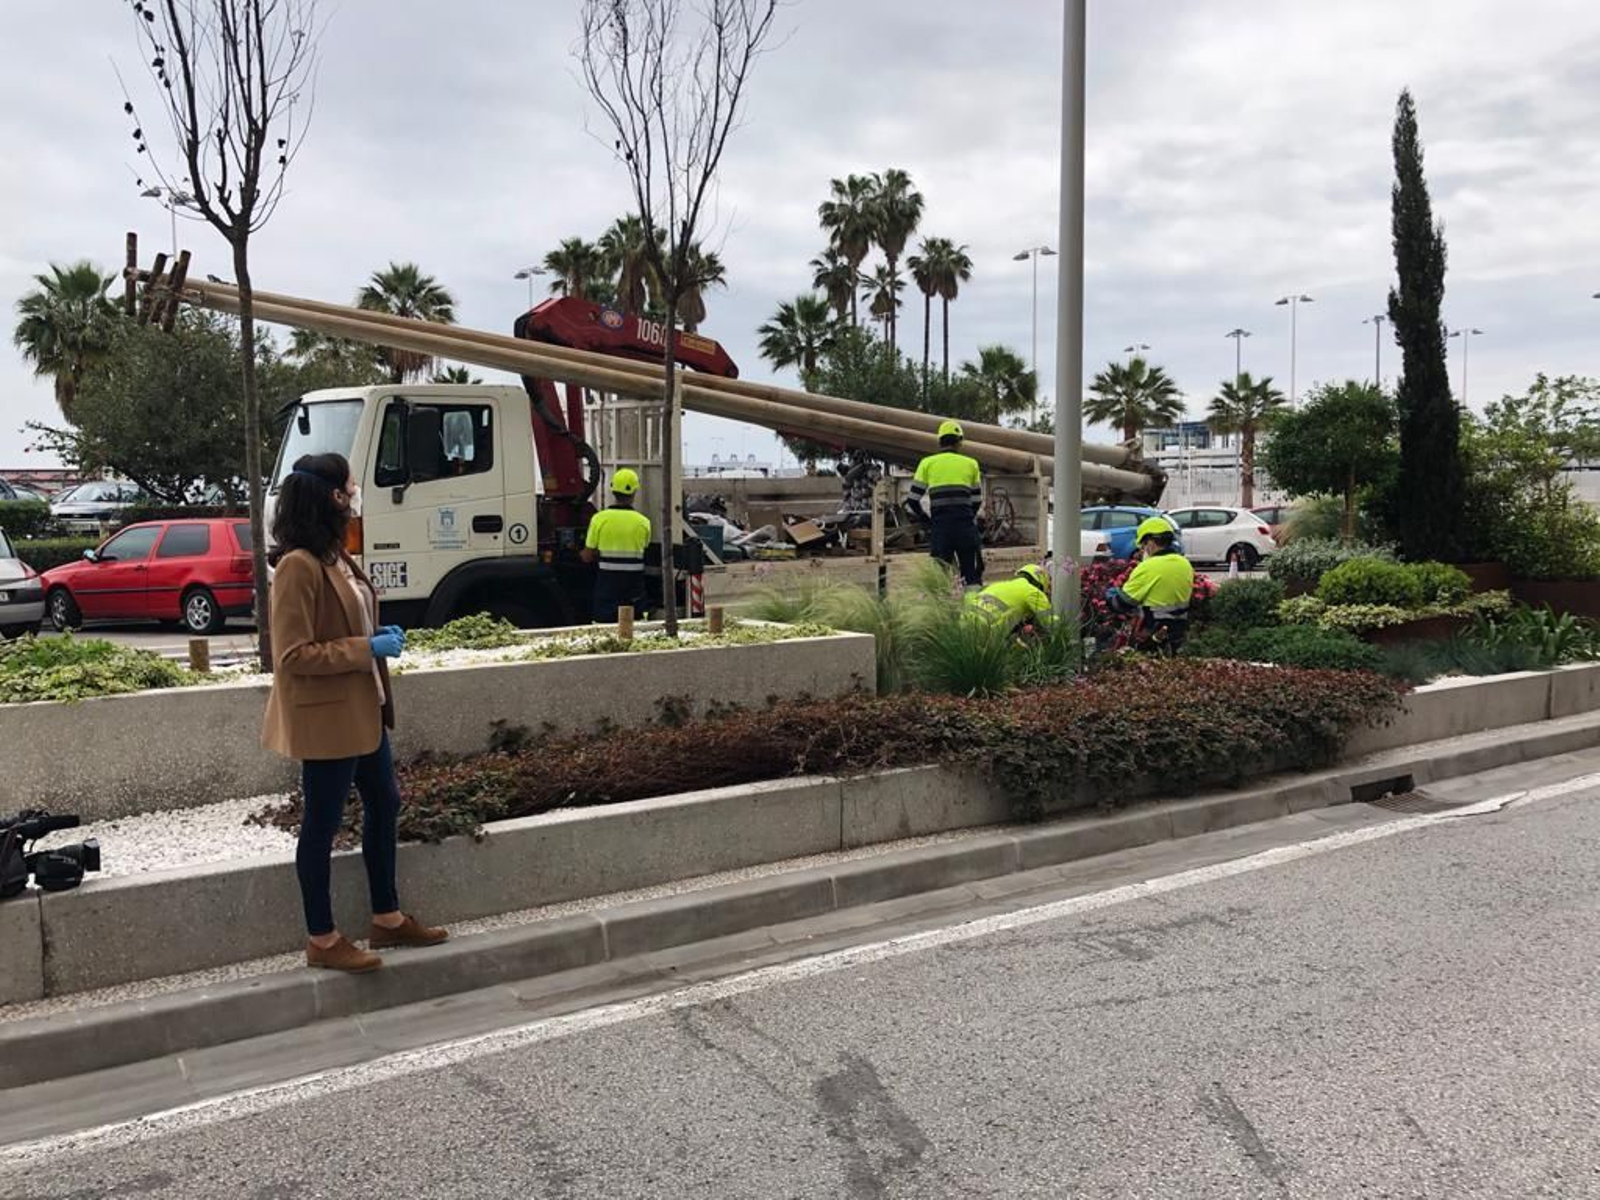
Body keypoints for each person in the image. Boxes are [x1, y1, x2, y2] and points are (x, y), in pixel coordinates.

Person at [262, 452, 448, 973]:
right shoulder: (298, 566)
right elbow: (292, 656)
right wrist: (366, 648)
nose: (354, 496)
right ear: (330, 497)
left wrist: (372, 645)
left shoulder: (335, 556)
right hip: (327, 718)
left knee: (385, 803)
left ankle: (386, 916)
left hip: (364, 710)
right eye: (348, 488)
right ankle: (322, 939)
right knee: (321, 824)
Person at [908, 419, 984, 587]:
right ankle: (973, 611)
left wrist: (927, 521)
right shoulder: (971, 464)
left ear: (940, 441)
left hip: (940, 528)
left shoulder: (926, 463)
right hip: (965, 527)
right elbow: (977, 500)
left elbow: (912, 500)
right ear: (959, 442)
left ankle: (940, 611)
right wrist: (967, 517)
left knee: (939, 579)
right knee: (971, 576)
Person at [1106, 516, 1195, 654]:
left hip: (1151, 633)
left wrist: (1110, 593)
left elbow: (1121, 604)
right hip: (1178, 632)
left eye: (1143, 545)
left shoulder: (1148, 567)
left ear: (1151, 543)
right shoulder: (1185, 564)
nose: (1142, 550)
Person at [583, 467, 653, 622]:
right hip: (634, 585)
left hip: (607, 584)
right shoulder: (644, 523)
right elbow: (643, 549)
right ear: (634, 492)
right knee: (635, 624)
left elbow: (587, 556)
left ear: (612, 490)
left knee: (604, 624)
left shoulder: (599, 519)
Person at [969, 563, 1052, 636]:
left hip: (964, 628)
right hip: (986, 632)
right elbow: (1051, 622)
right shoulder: (1032, 591)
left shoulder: (997, 585)